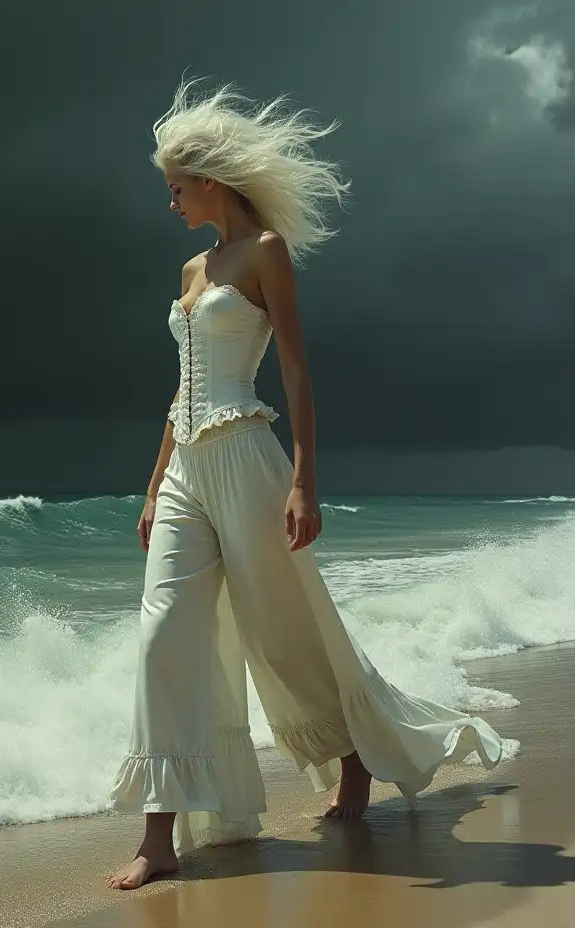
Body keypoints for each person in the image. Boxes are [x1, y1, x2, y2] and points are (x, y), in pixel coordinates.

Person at [104, 79, 506, 891]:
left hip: (250, 460)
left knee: (282, 634)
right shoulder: (190, 268)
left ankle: (355, 757)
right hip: (186, 470)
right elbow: (180, 394)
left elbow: (293, 367)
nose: (170, 201)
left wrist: (305, 482)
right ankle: (159, 837)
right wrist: (153, 486)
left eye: (175, 187)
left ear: (209, 180)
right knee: (162, 643)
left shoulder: (266, 254)